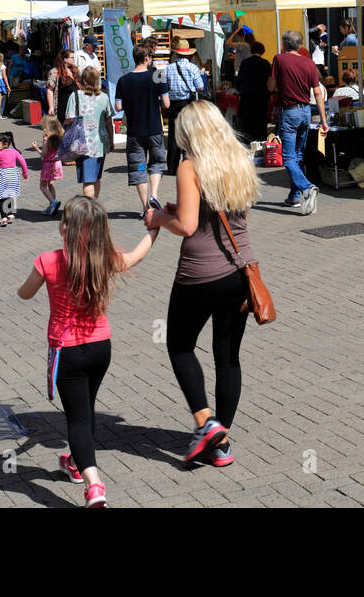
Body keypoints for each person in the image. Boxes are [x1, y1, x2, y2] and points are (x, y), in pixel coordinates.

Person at [17, 195, 160, 507]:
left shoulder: (49, 261)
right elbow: (135, 256)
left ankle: (94, 485)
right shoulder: (102, 259)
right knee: (86, 408)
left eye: (65, 220)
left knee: (77, 419)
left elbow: (25, 294)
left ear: (66, 230)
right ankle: (74, 461)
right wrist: (154, 229)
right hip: (100, 347)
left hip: (66, 351)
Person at [143, 101, 257, 467]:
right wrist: (182, 209)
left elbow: (189, 228)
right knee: (228, 358)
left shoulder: (190, 166)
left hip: (199, 276)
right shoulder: (239, 160)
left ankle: (205, 422)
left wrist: (159, 216)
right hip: (239, 273)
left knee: (179, 345)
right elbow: (224, 212)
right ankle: (220, 441)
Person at [268, 29, 327, 214]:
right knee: (298, 155)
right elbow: (318, 93)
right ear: (301, 45)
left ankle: (307, 188)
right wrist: (323, 120)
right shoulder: (309, 63)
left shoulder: (279, 59)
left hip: (290, 112)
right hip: (306, 112)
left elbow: (270, 86)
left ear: (284, 44)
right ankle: (294, 196)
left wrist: (277, 84)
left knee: (288, 158)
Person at [114, 45, 169, 213]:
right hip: (154, 129)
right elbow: (166, 103)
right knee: (156, 163)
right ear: (146, 58)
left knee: (138, 167)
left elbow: (118, 106)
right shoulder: (157, 75)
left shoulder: (123, 80)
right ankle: (154, 195)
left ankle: (145, 207)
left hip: (134, 132)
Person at [64, 66, 113, 200]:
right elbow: (109, 121)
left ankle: (90, 209)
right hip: (101, 143)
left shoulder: (75, 96)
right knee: (96, 177)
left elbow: (69, 119)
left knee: (88, 180)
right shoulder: (104, 97)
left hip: (82, 143)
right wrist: (112, 141)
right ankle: (94, 205)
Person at [164, 41, 205, 176]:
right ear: (188, 54)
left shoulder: (168, 68)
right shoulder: (193, 68)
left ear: (177, 53)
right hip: (188, 102)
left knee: (173, 136)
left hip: (174, 103)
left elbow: (164, 86)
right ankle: (187, 164)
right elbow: (200, 87)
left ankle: (172, 167)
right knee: (189, 134)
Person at [234, 41, 272, 142]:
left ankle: (248, 142)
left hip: (246, 97)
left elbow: (239, 79)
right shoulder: (266, 63)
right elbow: (270, 82)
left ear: (251, 51)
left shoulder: (244, 62)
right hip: (261, 98)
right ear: (262, 52)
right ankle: (260, 143)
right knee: (260, 122)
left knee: (247, 122)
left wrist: (239, 90)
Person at [0, 131, 29, 226]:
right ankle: (11, 215)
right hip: (13, 176)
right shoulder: (14, 152)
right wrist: (25, 173)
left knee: (1, 197)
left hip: (2, 177)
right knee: (11, 195)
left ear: (5, 144)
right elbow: (22, 161)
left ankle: (3, 218)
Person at [28, 115, 65, 216]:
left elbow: (44, 154)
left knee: (43, 186)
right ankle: (52, 207)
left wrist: (35, 148)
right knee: (51, 184)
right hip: (57, 163)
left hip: (47, 164)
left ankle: (53, 202)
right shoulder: (60, 135)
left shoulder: (46, 138)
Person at [47, 49, 81, 119]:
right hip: (63, 106)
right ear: (65, 59)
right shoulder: (55, 72)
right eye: (72, 57)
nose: (74, 59)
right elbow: (50, 90)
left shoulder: (74, 70)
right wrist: (51, 107)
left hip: (75, 105)